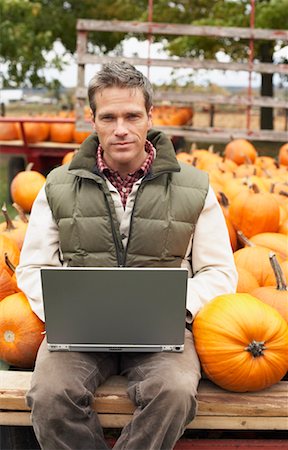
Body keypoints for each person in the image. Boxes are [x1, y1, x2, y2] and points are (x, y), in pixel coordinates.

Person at [16, 61, 237, 450]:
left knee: (174, 393)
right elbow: (33, 266)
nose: (121, 128)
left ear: (149, 116)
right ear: (93, 120)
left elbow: (219, 271)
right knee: (50, 395)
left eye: (132, 115)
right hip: (79, 334)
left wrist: (174, 307)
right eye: (109, 117)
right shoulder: (57, 186)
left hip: (162, 335)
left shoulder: (194, 187)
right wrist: (65, 309)